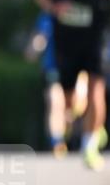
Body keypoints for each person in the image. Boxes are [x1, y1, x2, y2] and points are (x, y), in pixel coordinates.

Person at [35, 0, 110, 169]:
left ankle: (90, 145)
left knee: (96, 88)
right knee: (69, 102)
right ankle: (90, 125)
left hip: (95, 37)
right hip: (66, 38)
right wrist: (55, 7)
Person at [24, 11, 88, 157]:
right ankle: (57, 142)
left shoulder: (79, 12)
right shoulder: (47, 16)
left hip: (77, 67)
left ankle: (75, 132)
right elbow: (41, 37)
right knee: (54, 102)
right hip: (53, 68)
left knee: (75, 106)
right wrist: (33, 48)